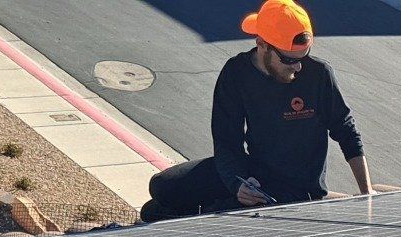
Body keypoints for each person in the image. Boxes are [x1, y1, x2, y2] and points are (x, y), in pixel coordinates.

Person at [140, 0, 371, 221]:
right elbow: (226, 140)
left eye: (304, 56)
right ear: (262, 45)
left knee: (166, 214)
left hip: (298, 189)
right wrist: (237, 183)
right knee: (161, 187)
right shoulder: (236, 72)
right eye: (289, 59)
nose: (298, 66)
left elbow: (346, 130)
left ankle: (214, 211)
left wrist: (367, 193)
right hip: (253, 173)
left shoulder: (319, 74)